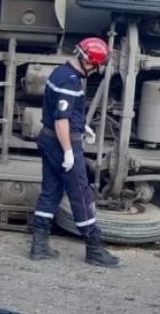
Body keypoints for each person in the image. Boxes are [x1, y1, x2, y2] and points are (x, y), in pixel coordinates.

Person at [29, 37, 120, 267]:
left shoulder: (60, 72)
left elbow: (58, 112)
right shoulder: (71, 82)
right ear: (90, 62)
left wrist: (81, 125)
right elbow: (61, 121)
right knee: (81, 194)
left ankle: (38, 246)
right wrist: (69, 151)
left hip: (48, 139)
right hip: (62, 143)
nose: (96, 70)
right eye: (97, 66)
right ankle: (94, 249)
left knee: (50, 191)